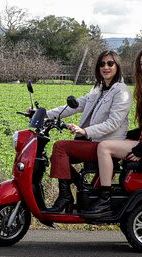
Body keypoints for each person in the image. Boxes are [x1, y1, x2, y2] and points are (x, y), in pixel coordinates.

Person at [84, 48, 142, 215]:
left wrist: (141, 149)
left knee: (104, 147)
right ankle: (94, 189)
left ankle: (104, 198)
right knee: (111, 141)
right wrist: (126, 137)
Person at [43, 50, 131, 213]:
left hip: (105, 144)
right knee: (57, 156)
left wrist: (85, 131)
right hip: (91, 141)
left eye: (110, 64)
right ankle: (82, 187)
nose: (106, 67)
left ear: (117, 66)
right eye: (102, 64)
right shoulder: (98, 88)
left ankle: (65, 196)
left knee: (60, 148)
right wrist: (43, 113)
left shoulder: (121, 91)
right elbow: (76, 104)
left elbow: (113, 123)